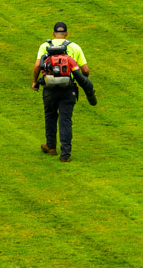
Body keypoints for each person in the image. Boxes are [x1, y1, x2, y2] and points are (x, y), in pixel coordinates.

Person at [31, 21, 96, 163]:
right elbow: (85, 70)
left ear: (53, 33)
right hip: (69, 89)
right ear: (66, 33)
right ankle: (65, 154)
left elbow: (37, 65)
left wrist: (35, 82)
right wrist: (84, 82)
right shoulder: (74, 47)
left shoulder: (45, 46)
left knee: (50, 116)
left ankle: (51, 146)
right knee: (65, 120)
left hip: (49, 88)